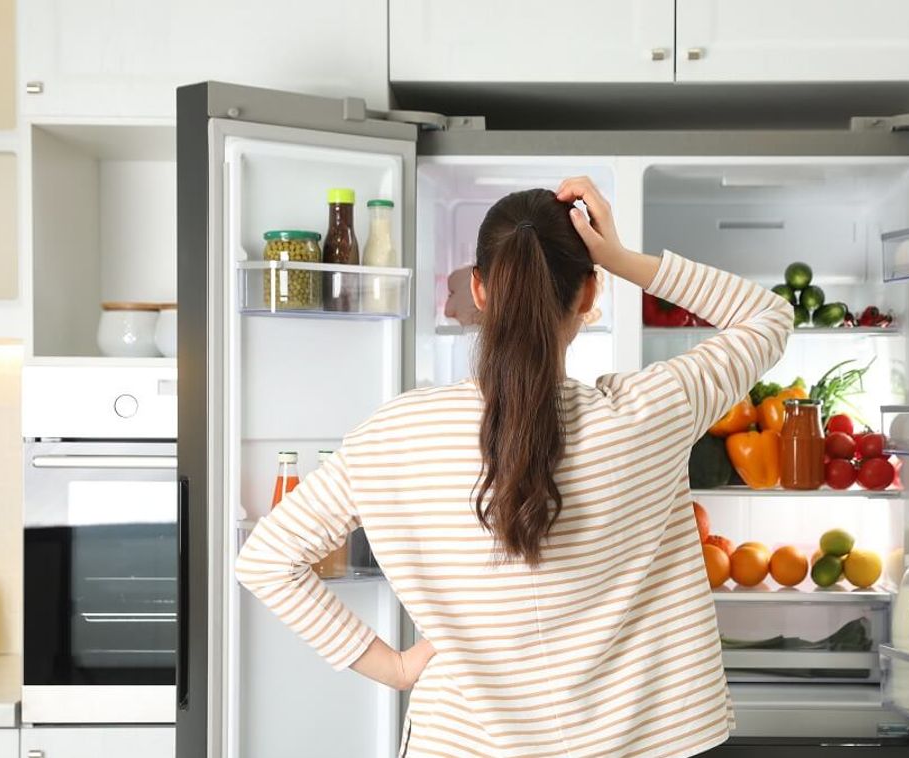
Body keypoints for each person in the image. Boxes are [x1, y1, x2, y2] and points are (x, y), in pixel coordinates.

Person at [236, 177, 794, 757]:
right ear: (587, 295)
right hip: (641, 744)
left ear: (479, 290)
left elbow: (268, 561)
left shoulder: (393, 434)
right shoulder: (651, 413)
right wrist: (619, 256)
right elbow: (768, 317)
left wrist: (398, 668)